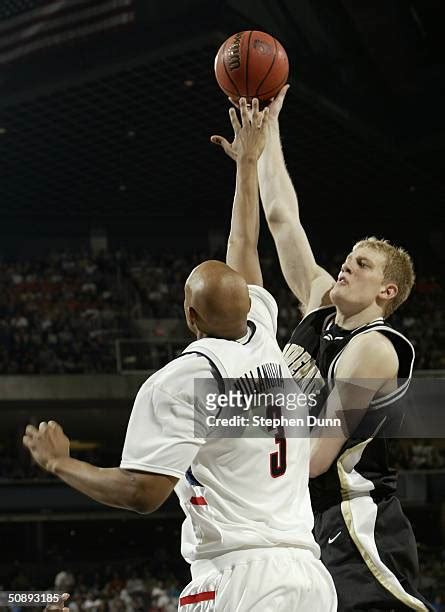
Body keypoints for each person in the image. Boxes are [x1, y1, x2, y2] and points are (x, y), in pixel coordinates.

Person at [24, 98, 336, 611]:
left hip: (238, 577)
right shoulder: (264, 341)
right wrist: (248, 166)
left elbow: (141, 492)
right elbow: (244, 246)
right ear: (249, 306)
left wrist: (60, 463)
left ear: (189, 316)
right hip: (309, 576)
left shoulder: (183, 380)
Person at [253, 84, 431, 611]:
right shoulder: (316, 304)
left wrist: (235, 446)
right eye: (349, 256)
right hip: (304, 519)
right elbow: (282, 218)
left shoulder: (374, 348)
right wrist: (268, 128)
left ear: (386, 291)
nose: (347, 264)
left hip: (356, 524)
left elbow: (314, 457)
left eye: (363, 264)